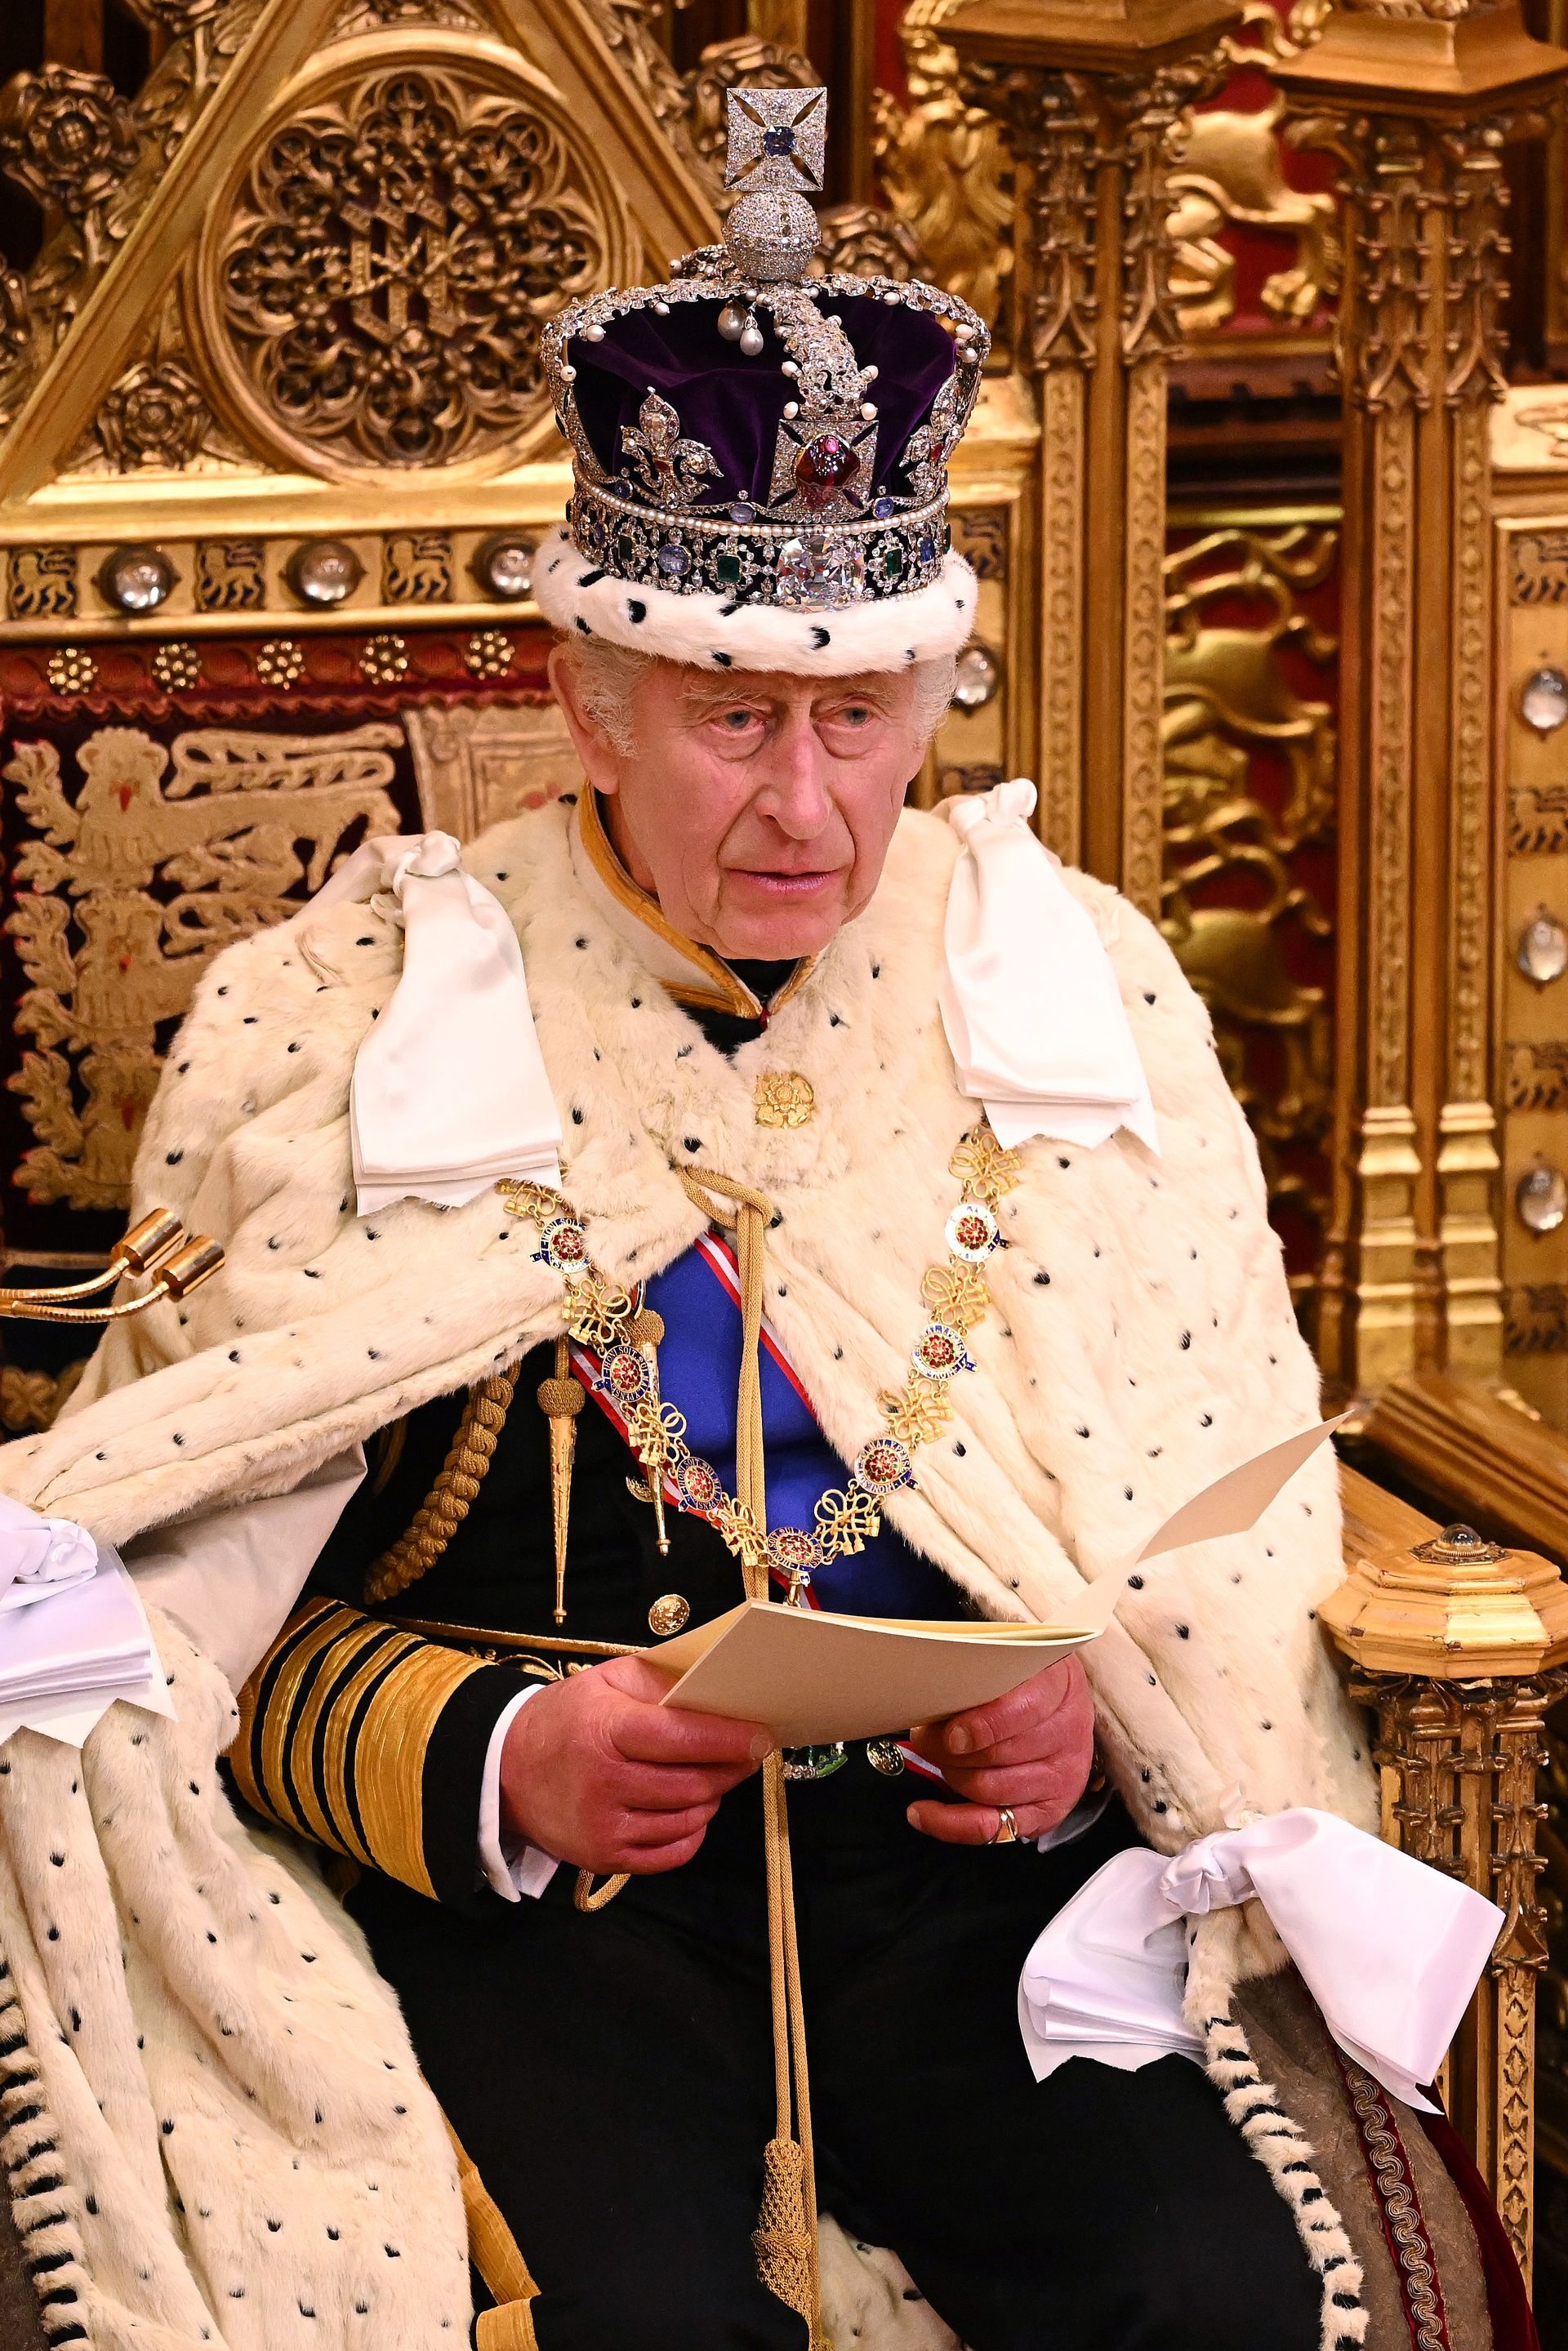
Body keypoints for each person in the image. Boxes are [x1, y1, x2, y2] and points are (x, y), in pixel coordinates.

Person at [0, 84, 1523, 2351]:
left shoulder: (1070, 987)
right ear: (588, 699)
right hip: (545, 1923)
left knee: (1209, 2295)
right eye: (733, 718)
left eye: (862, 716)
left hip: (973, 1903)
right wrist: (504, 1763)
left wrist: (1075, 1738)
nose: (808, 804)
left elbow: (1206, 1562)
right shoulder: (343, 1024)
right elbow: (174, 1643)